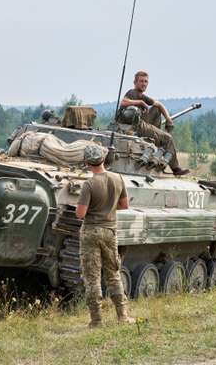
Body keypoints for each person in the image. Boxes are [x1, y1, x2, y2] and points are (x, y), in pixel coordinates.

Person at [76, 145, 135, 328]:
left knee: (92, 277)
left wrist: (94, 209)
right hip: (110, 231)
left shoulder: (89, 184)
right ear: (103, 159)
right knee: (113, 274)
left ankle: (96, 320)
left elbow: (80, 213)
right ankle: (123, 316)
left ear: (87, 163)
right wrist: (107, 209)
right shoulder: (118, 179)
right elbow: (124, 205)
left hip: (91, 232)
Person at [118, 71, 190, 176]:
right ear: (135, 82)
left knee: (156, 108)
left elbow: (159, 105)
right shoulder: (132, 93)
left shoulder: (142, 95)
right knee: (168, 138)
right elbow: (123, 102)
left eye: (146, 82)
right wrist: (140, 102)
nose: (144, 84)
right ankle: (175, 168)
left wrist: (168, 118)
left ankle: (156, 138)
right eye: (141, 81)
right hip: (135, 126)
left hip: (140, 123)